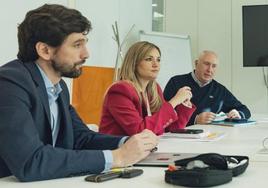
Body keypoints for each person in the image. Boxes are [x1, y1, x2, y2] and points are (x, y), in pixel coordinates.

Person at [0, 4, 159, 182]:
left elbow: (81, 138)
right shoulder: (9, 83)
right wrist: (118, 157)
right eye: (77, 45)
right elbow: (30, 161)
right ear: (45, 50)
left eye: (85, 44)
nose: (86, 54)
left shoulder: (58, 88)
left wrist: (129, 143)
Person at [99, 41, 196, 136]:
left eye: (158, 59)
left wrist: (184, 105)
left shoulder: (154, 89)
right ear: (134, 63)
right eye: (149, 59)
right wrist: (174, 102)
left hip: (144, 149)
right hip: (118, 150)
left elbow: (168, 129)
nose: (156, 64)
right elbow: (139, 131)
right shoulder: (120, 90)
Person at [164, 50, 251, 126]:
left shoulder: (220, 90)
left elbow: (245, 110)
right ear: (196, 63)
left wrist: (238, 114)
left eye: (214, 66)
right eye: (206, 64)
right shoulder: (176, 82)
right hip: (179, 137)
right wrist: (195, 119)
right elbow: (164, 114)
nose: (209, 70)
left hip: (209, 137)